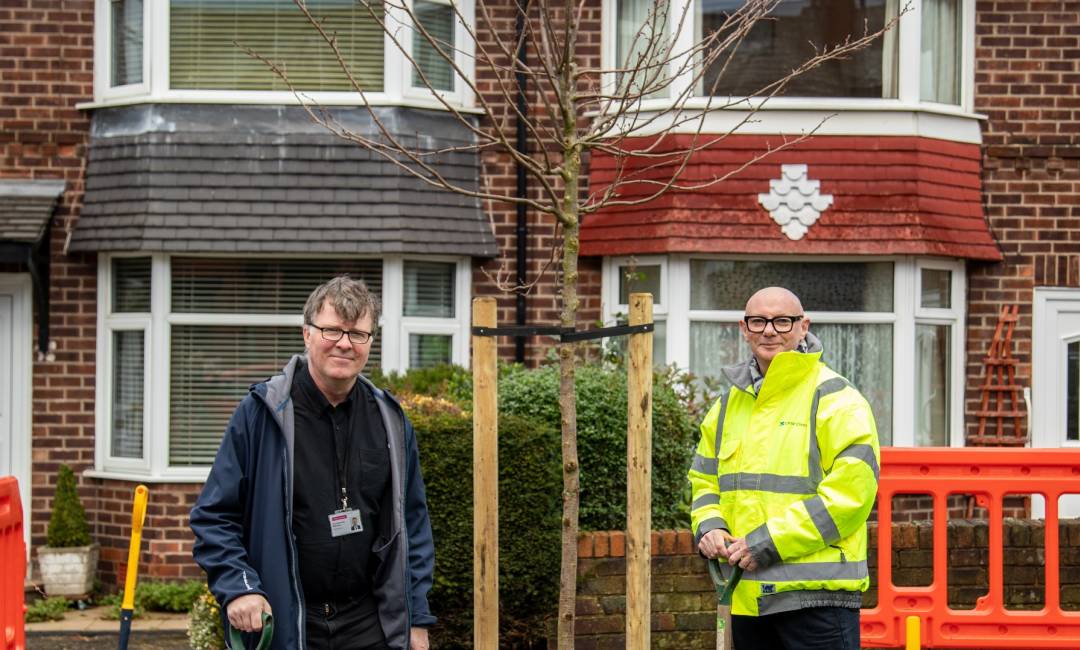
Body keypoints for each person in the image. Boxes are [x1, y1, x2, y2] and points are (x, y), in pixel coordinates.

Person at [191, 276, 435, 650]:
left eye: (357, 334)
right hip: (289, 620)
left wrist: (415, 618)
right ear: (307, 335)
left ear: (370, 342)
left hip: (368, 624)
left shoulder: (390, 420)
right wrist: (239, 588)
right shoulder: (262, 414)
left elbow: (413, 527)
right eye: (331, 330)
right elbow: (214, 515)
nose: (344, 343)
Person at [688, 287, 879, 650]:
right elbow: (703, 479)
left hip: (815, 599)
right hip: (746, 598)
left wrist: (768, 542)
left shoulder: (837, 399)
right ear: (744, 328)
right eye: (758, 321)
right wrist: (710, 526)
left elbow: (851, 496)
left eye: (782, 321)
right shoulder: (727, 406)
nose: (769, 331)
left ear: (803, 326)